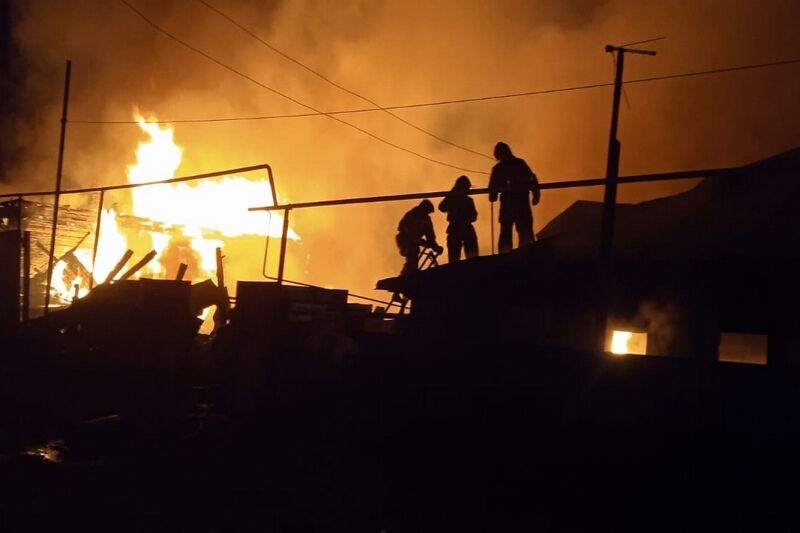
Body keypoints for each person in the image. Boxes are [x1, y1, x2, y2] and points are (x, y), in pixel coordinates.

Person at [488, 141, 541, 253]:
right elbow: (532, 179)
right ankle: (525, 254)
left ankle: (506, 256)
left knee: (507, 231)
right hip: (521, 202)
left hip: (510, 204)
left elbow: (493, 187)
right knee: (523, 230)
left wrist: (493, 196)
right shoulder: (519, 163)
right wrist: (535, 194)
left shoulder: (499, 168)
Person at [396, 199, 443, 276]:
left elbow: (430, 237)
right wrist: (424, 243)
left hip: (415, 240)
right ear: (422, 209)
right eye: (426, 212)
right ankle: (406, 274)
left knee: (414, 250)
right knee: (413, 251)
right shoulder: (410, 216)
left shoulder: (427, 220)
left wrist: (436, 247)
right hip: (404, 238)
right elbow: (409, 234)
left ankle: (410, 272)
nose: (427, 214)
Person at [438, 175, 478, 263]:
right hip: (459, 228)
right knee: (461, 258)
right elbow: (441, 207)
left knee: (458, 258)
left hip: (457, 228)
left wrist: (451, 196)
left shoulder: (465, 200)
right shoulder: (466, 200)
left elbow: (442, 207)